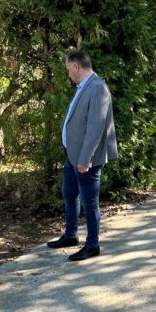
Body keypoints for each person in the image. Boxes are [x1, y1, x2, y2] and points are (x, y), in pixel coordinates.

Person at [47, 50, 118, 261]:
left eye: (69, 69)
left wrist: (85, 158)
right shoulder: (83, 87)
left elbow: (96, 127)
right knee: (69, 194)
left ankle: (93, 245)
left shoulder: (97, 88)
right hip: (73, 155)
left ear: (76, 67)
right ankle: (71, 235)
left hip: (86, 159)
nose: (68, 73)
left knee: (90, 202)